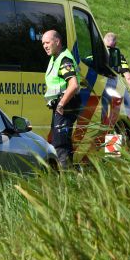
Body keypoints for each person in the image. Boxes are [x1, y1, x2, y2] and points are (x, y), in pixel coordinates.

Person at [42, 30, 81, 168]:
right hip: (61, 104)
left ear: (57, 42)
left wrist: (61, 105)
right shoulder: (55, 57)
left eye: (47, 42)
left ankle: (65, 177)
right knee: (59, 140)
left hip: (66, 104)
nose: (44, 46)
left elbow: (73, 85)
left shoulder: (64, 59)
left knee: (60, 143)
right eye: (43, 43)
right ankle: (68, 175)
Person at [103, 32, 130, 111]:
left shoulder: (94, 52)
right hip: (111, 92)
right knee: (127, 112)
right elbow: (128, 78)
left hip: (93, 89)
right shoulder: (118, 57)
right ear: (115, 43)